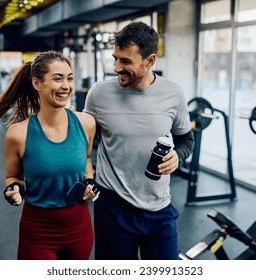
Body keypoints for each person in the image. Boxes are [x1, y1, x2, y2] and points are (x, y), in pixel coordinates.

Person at [84, 21, 195, 260]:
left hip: (159, 208)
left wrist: (178, 155)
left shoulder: (174, 93)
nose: (116, 67)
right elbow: (84, 141)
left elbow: (186, 139)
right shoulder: (98, 93)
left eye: (125, 61)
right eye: (115, 58)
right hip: (113, 207)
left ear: (150, 61)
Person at [0, 50, 97, 260]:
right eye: (58, 78)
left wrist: (90, 181)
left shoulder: (86, 123)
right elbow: (12, 177)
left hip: (79, 229)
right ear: (37, 83)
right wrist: (14, 189)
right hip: (38, 232)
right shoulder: (18, 134)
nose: (66, 86)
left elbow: (88, 160)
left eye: (69, 78)